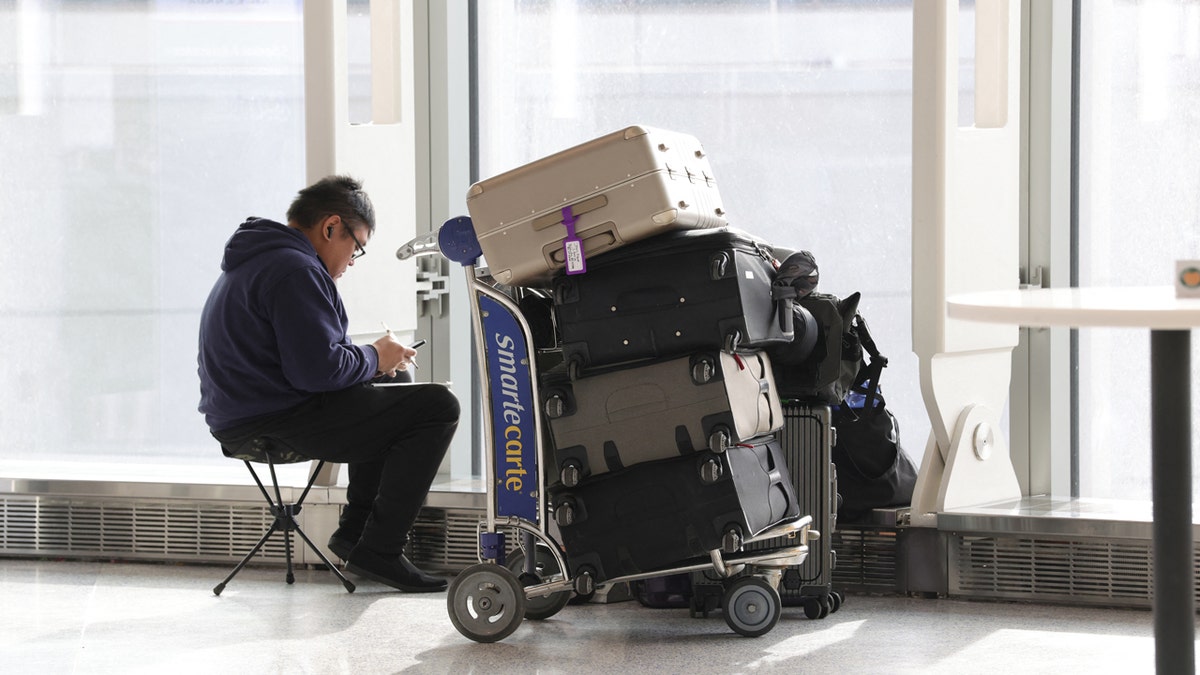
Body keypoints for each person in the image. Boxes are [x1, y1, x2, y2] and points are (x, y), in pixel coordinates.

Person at [197, 175, 459, 592]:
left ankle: (357, 536)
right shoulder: (294, 269)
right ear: (332, 226)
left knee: (396, 380)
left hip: (246, 413)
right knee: (438, 407)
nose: (352, 261)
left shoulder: (262, 259)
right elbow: (316, 372)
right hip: (270, 418)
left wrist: (378, 362)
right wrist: (373, 355)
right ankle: (380, 547)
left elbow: (305, 360)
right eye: (356, 248)